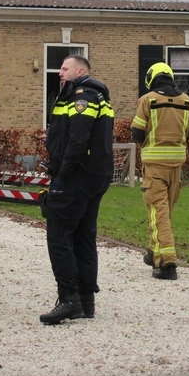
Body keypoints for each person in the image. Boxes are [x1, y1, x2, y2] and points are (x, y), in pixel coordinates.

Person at [39, 55, 114, 325]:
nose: (60, 73)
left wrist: (62, 175)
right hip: (94, 177)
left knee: (59, 235)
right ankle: (85, 301)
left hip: (77, 177)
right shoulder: (92, 95)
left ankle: (69, 298)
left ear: (80, 71)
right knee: (84, 236)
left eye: (64, 68)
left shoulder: (82, 96)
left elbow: (78, 140)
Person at [131, 62, 189, 281]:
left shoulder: (147, 100)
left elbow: (137, 133)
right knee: (165, 212)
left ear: (151, 78)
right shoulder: (187, 101)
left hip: (155, 165)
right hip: (176, 164)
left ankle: (167, 263)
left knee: (158, 212)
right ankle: (153, 251)